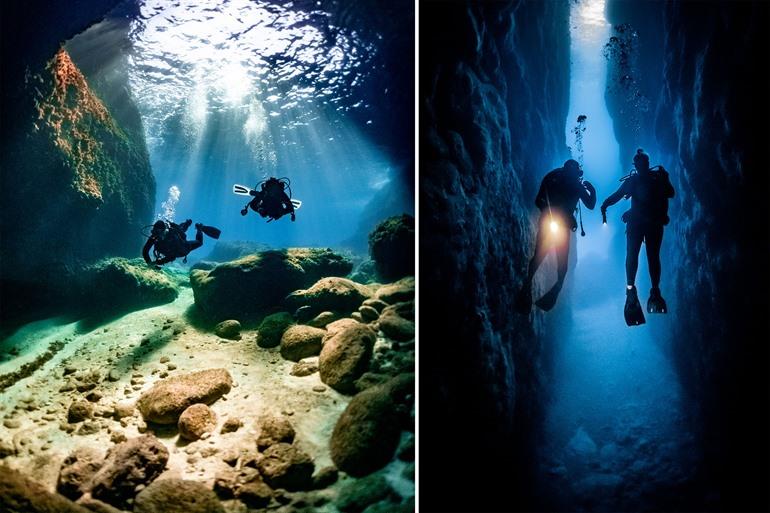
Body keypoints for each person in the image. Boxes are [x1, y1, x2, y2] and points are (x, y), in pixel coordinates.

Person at [600, 148, 675, 326]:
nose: (642, 167)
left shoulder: (649, 178)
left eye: (643, 164)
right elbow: (670, 193)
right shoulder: (654, 178)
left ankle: (633, 288)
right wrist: (606, 204)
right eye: (640, 165)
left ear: (642, 165)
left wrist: (605, 205)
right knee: (650, 256)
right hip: (649, 223)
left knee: (636, 255)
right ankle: (650, 289)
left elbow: (618, 196)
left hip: (642, 222)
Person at [516, 159, 596, 312]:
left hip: (554, 224)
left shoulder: (558, 178)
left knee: (547, 259)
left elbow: (538, 201)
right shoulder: (561, 180)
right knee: (550, 260)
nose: (570, 177)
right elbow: (590, 204)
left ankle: (535, 287)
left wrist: (592, 191)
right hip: (555, 224)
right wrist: (592, 191)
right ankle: (532, 287)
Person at [142, 219, 219, 267]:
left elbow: (172, 257)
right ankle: (187, 223)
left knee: (199, 242)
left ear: (164, 230)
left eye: (159, 232)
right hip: (172, 248)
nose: (157, 235)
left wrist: (156, 263)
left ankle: (199, 228)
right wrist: (149, 263)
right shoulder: (154, 236)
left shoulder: (172, 236)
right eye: (154, 232)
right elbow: (145, 251)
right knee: (180, 229)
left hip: (183, 248)